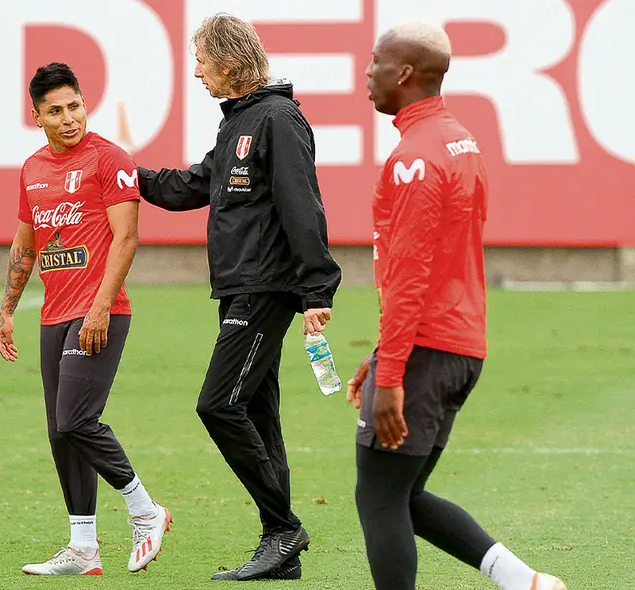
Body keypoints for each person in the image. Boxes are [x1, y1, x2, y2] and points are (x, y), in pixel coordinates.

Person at [347, 22, 567, 590]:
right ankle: (527, 583)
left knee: (378, 497)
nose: (365, 73)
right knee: (404, 494)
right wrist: (382, 355)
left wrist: (391, 369)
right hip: (458, 347)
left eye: (374, 62)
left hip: (423, 349)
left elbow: (411, 273)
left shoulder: (415, 158)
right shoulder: (460, 141)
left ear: (403, 73)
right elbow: (438, 263)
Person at [137, 13, 342, 582]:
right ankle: (281, 553)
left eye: (201, 61)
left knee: (218, 404)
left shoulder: (277, 118)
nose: (197, 72)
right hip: (241, 287)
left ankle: (283, 529)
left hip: (264, 287)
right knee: (258, 412)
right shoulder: (239, 124)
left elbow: (303, 205)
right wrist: (132, 178)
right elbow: (197, 184)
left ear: (228, 63)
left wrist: (317, 287)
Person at [0, 62, 171, 576]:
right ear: (37, 117)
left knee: (76, 419)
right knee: (59, 431)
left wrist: (99, 308)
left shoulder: (110, 160)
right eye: (56, 111)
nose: (69, 118)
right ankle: (83, 548)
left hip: (101, 312)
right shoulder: (32, 170)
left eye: (75, 106)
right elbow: (25, 245)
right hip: (54, 314)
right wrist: (7, 310)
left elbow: (127, 238)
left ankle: (145, 510)